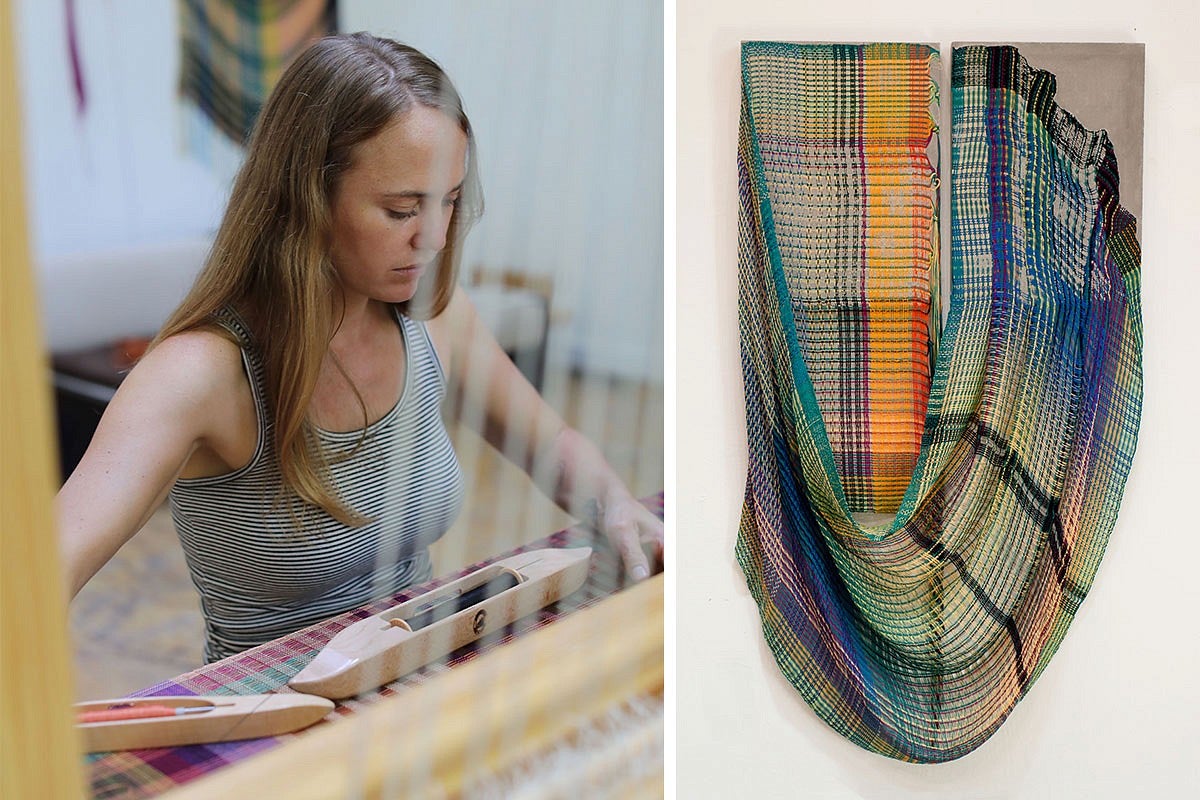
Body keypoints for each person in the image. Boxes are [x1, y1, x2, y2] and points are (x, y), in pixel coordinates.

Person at [57, 33, 663, 662]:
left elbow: (551, 444)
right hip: (275, 720)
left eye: (449, 202)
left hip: (416, 682)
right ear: (307, 199)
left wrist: (615, 503)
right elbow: (52, 557)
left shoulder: (435, 317)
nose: (432, 237)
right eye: (402, 209)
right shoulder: (200, 374)